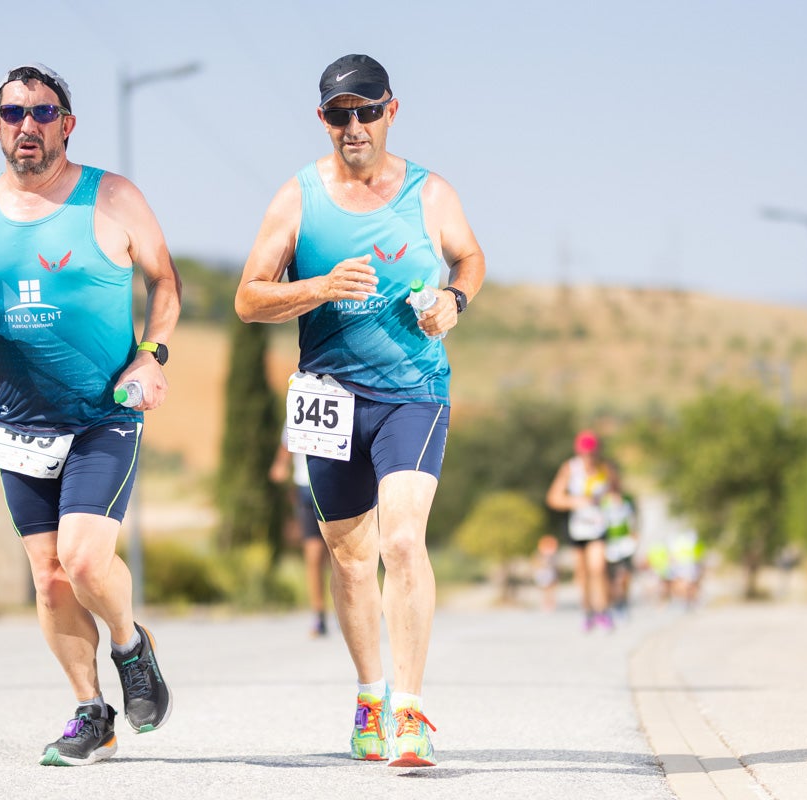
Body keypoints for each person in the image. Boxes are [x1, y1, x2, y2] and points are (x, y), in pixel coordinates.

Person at [235, 53, 486, 768]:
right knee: (349, 563)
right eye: (340, 114)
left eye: (366, 111)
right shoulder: (297, 199)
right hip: (329, 400)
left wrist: (454, 301)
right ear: (324, 120)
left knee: (403, 541)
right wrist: (317, 286)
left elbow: (470, 259)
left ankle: (409, 712)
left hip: (414, 393)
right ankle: (370, 696)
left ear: (391, 111)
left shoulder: (431, 193)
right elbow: (249, 298)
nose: (354, 125)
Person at [0, 63, 181, 767]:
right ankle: (90, 713)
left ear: (67, 124)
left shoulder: (114, 197)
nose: (28, 127)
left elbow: (166, 278)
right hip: (20, 421)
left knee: (80, 557)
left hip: (104, 413)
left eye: (43, 114)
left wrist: (151, 354)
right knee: (47, 578)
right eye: (14, 114)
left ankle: (131, 645)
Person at [545, 430, 618, 633]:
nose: (589, 458)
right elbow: (553, 498)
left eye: (592, 453)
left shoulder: (606, 469)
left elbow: (616, 492)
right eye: (585, 454)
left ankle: (603, 611)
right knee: (583, 573)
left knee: (598, 567)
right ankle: (587, 612)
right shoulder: (570, 469)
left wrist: (613, 501)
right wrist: (575, 501)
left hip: (598, 526)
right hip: (577, 527)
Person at [270, 433, 330, 637]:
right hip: (306, 489)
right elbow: (286, 443)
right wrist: (281, 464)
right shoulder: (297, 404)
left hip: (335, 484)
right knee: (313, 556)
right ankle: (319, 615)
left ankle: (347, 608)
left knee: (340, 555)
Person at [601, 485, 638, 620]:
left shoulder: (627, 500)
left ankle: (624, 600)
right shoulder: (602, 502)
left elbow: (633, 519)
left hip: (626, 544)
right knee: (612, 577)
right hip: (609, 544)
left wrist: (635, 534)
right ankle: (615, 602)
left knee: (625, 575)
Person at [532, 534, 560, 613]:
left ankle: (550, 604)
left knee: (550, 590)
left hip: (551, 574)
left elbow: (557, 566)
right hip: (543, 574)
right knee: (546, 590)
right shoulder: (539, 555)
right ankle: (546, 604)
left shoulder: (553, 555)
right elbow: (535, 564)